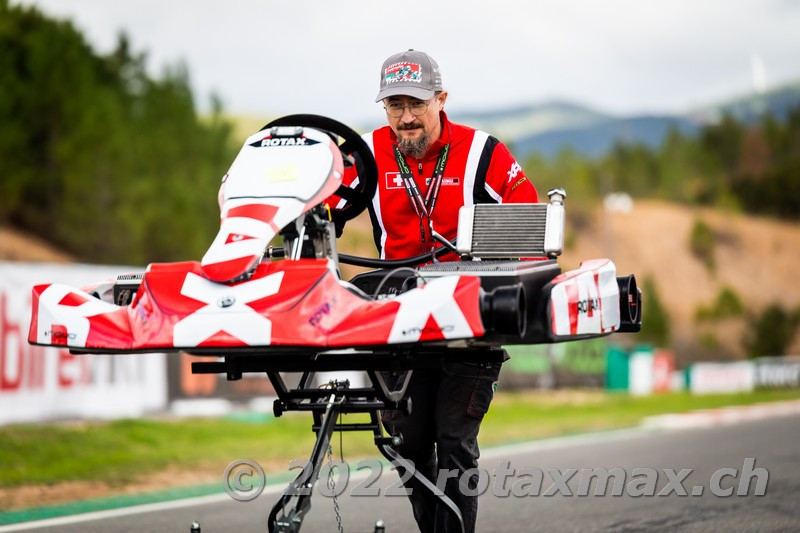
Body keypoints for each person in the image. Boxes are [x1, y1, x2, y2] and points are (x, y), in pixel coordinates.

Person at [328, 49, 538, 533]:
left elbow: (529, 227)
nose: (405, 118)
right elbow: (323, 210)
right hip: (397, 324)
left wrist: (488, 261)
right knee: (408, 446)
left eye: (416, 104)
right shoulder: (366, 152)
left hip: (468, 323)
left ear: (441, 99)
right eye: (393, 105)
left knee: (454, 442)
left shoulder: (484, 151)